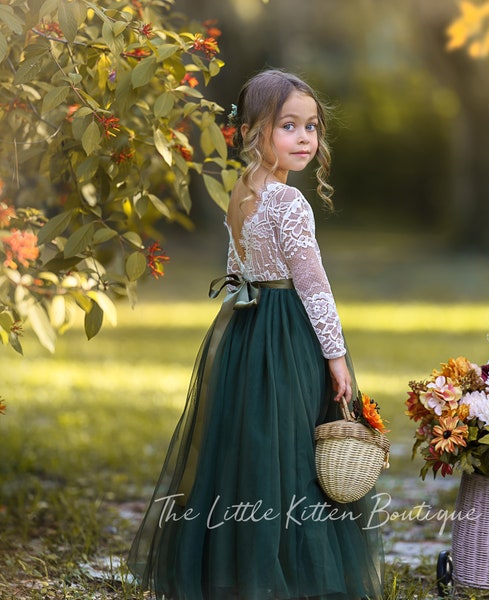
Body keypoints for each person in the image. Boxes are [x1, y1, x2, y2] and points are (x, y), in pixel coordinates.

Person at [128, 69, 384, 600]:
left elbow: (235, 270)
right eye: (288, 126)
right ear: (253, 131)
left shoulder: (242, 191)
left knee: (250, 448)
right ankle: (292, 571)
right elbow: (313, 284)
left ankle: (236, 563)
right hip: (288, 331)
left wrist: (239, 326)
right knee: (292, 448)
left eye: (311, 126)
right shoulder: (290, 204)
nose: (305, 138)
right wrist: (335, 357)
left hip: (247, 328)